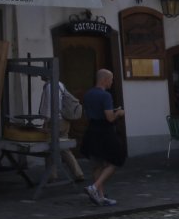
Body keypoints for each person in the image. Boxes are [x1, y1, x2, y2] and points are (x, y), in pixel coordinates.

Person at [80, 69, 126, 207]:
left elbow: (87, 113)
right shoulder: (105, 96)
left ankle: (100, 196)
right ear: (105, 79)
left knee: (97, 164)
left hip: (91, 130)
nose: (112, 82)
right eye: (111, 79)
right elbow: (109, 118)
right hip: (104, 132)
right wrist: (119, 113)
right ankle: (94, 187)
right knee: (116, 160)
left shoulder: (88, 94)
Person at [37, 78, 88, 184]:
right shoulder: (60, 84)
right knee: (64, 147)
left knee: (51, 147)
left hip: (55, 121)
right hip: (64, 120)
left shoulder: (49, 86)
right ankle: (78, 173)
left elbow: (49, 107)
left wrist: (45, 123)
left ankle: (51, 175)